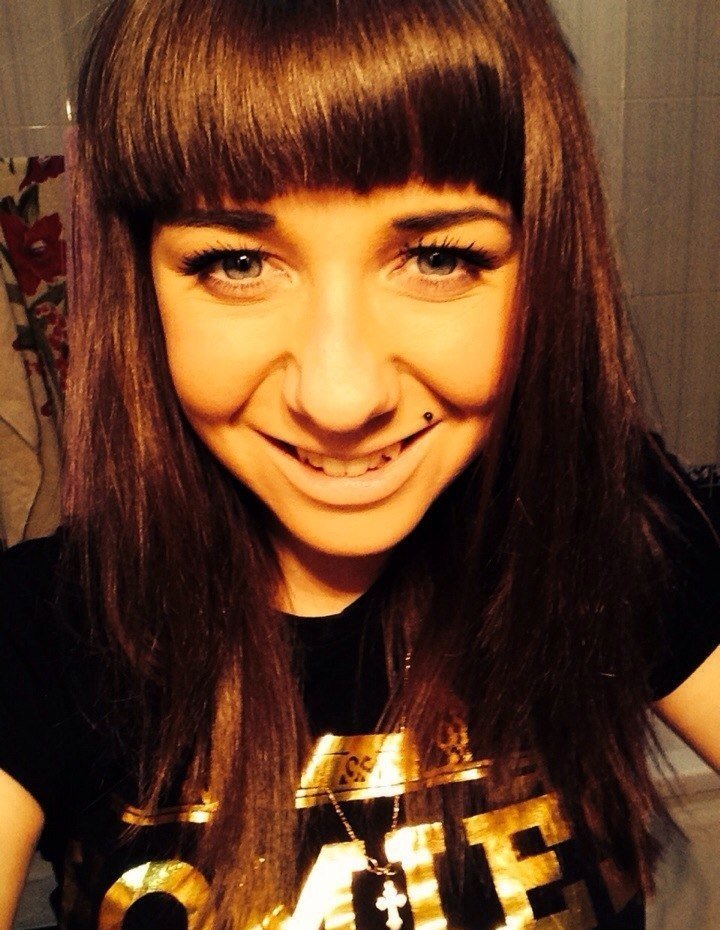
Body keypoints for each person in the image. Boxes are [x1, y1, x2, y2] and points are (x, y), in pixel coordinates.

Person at [0, 1, 718, 928]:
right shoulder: (42, 631)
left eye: (439, 257)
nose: (339, 400)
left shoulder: (608, 524)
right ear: (144, 288)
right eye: (236, 263)